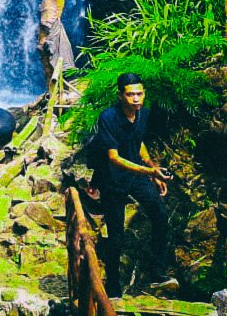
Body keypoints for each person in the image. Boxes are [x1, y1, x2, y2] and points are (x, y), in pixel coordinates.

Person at [92, 73, 178, 297]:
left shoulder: (143, 114)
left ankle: (157, 272)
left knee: (160, 215)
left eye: (139, 94)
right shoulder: (108, 118)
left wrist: (153, 170)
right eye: (130, 94)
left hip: (136, 175)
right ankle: (113, 287)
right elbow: (114, 157)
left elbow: (138, 142)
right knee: (116, 236)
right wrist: (150, 171)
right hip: (112, 180)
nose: (136, 99)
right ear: (120, 95)